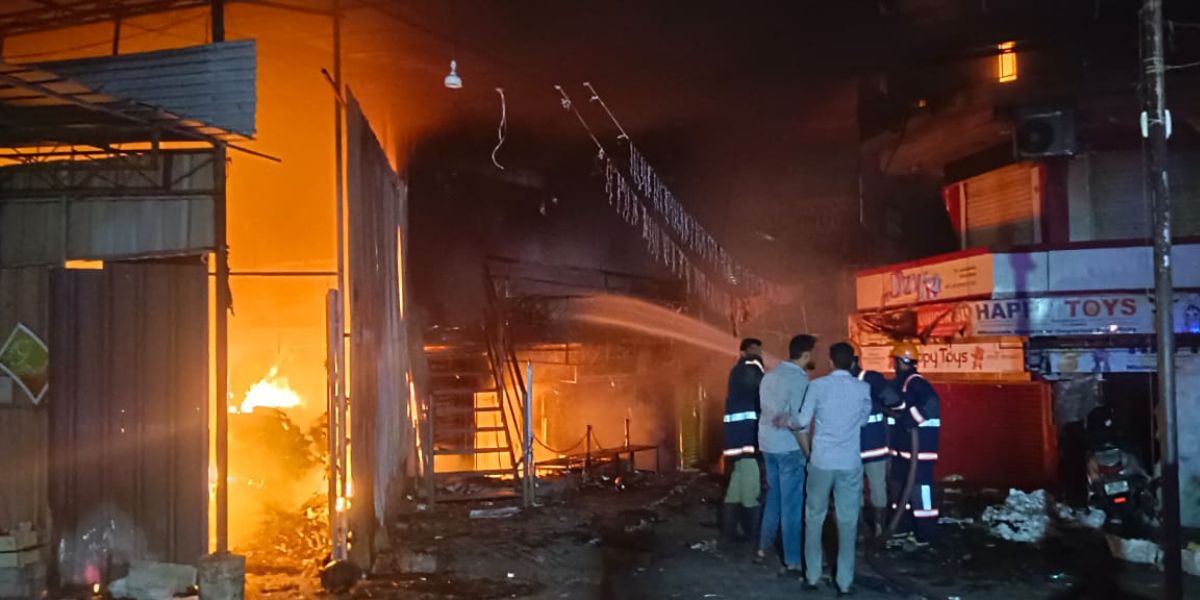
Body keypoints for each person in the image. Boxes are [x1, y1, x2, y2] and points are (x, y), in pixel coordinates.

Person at [780, 342, 871, 595]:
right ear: (852, 362)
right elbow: (863, 420)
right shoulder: (863, 389)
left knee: (814, 518)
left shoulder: (817, 386)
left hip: (821, 461)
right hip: (850, 463)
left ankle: (812, 577)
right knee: (848, 521)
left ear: (830, 362)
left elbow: (800, 421)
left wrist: (785, 419)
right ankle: (844, 582)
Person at [755, 334, 816, 571]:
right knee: (792, 504)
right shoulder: (799, 381)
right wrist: (809, 455)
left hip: (767, 445)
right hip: (789, 448)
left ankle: (762, 548)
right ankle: (792, 560)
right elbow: (799, 423)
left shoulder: (770, 376)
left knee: (774, 497)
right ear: (806, 354)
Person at [887, 340, 942, 545]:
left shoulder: (915, 382)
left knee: (921, 490)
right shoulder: (902, 383)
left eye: (895, 360)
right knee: (900, 488)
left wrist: (911, 420)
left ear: (901, 361)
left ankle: (926, 534)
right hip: (904, 451)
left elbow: (932, 403)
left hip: (921, 450)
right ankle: (903, 527)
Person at [850, 344, 902, 538]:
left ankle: (860, 529)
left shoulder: (839, 383)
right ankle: (879, 528)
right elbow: (893, 401)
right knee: (878, 485)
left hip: (852, 447)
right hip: (875, 444)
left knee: (854, 487)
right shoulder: (872, 379)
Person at [721, 337, 766, 541]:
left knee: (737, 486)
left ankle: (729, 531)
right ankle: (754, 533)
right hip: (749, 436)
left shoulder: (736, 371)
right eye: (755, 350)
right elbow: (762, 394)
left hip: (736, 437)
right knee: (751, 487)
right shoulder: (751, 368)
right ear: (744, 352)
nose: (759, 353)